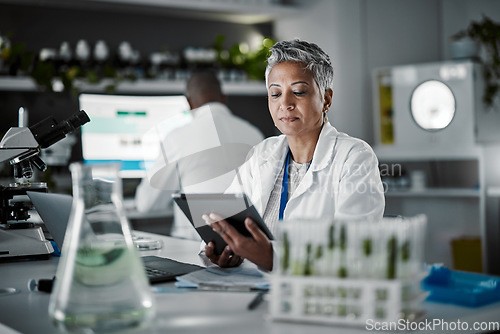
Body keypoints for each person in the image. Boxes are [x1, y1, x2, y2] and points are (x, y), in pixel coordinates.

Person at [203, 39, 385, 271]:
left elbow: (352, 250)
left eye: (298, 92)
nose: (285, 104)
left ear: (326, 99)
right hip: (255, 288)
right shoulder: (263, 153)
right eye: (275, 94)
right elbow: (227, 219)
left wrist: (274, 258)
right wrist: (223, 249)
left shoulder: (354, 156)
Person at [135, 70, 264, 240]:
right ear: (224, 98)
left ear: (189, 102)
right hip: (248, 244)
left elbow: (146, 204)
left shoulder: (177, 137)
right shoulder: (255, 135)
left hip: (195, 246)